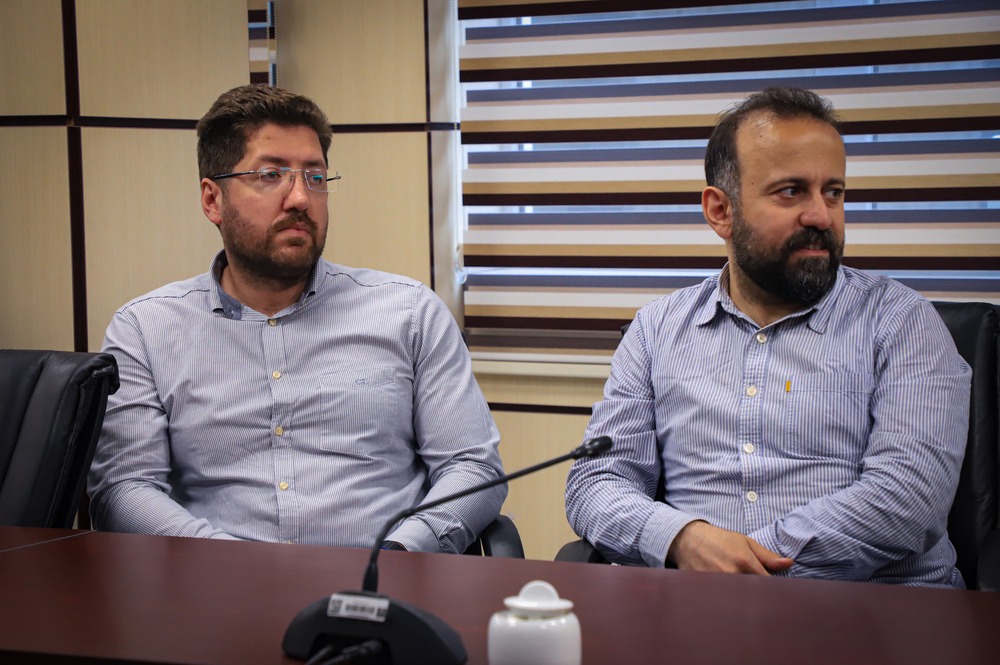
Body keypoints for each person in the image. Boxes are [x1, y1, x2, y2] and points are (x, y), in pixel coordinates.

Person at [564, 87, 972, 586]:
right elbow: (597, 481)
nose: (821, 216)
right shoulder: (656, 331)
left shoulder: (902, 323)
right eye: (791, 191)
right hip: (697, 610)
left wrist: (744, 564)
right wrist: (683, 539)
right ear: (720, 211)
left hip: (875, 612)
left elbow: (908, 499)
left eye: (834, 192)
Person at [88, 84, 506, 553]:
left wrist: (402, 553)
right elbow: (124, 488)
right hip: (213, 583)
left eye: (315, 176)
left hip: (380, 581)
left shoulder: (409, 314)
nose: (300, 199)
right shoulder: (145, 330)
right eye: (270, 175)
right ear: (212, 200)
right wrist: (227, 564)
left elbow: (473, 468)